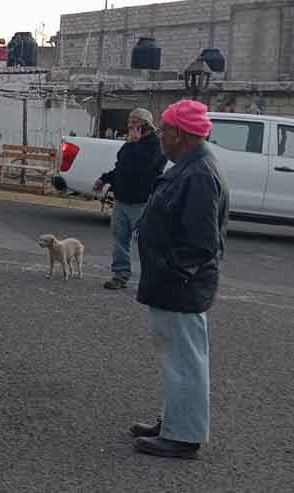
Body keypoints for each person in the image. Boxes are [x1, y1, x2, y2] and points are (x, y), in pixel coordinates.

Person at [130, 99, 228, 460]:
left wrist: (171, 271)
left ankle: (184, 436)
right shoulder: (190, 164)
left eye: (165, 130)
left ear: (180, 135)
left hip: (181, 285)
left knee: (185, 359)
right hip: (175, 282)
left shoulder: (199, 172)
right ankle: (175, 421)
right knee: (177, 357)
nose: (160, 136)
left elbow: (202, 242)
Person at [94, 108, 167, 290]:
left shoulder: (156, 146)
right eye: (130, 122)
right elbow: (121, 168)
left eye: (135, 122)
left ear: (145, 125)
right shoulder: (129, 144)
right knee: (120, 239)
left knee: (147, 242)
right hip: (121, 199)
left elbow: (143, 170)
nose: (130, 125)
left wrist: (134, 144)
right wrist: (104, 179)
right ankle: (120, 274)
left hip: (142, 201)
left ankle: (154, 278)